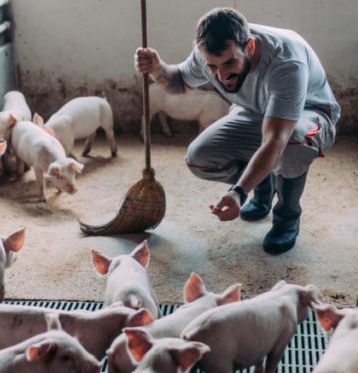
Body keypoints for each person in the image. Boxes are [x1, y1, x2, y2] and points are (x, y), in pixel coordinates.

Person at [134, 7, 340, 254]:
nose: (221, 75)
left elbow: (275, 139)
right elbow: (179, 81)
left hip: (310, 114)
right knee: (199, 158)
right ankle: (264, 184)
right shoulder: (208, 53)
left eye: (230, 63)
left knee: (291, 145)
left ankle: (287, 217)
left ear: (250, 47)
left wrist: (238, 193)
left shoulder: (287, 62)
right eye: (212, 66)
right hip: (255, 111)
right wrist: (157, 68)